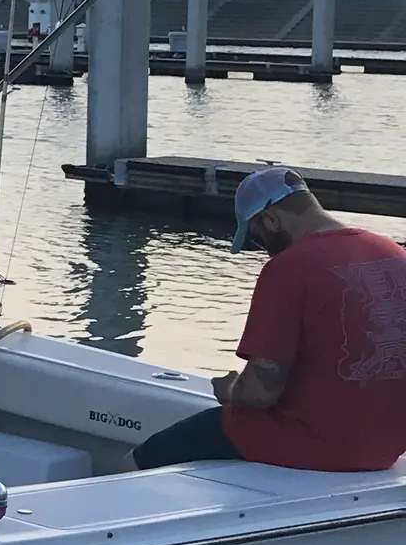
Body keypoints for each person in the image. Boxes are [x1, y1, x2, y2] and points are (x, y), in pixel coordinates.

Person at [136, 165, 406, 472]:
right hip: (384, 448)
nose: (264, 251)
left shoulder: (289, 268)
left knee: (141, 459)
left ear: (271, 219)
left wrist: (230, 390)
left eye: (256, 238)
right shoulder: (394, 253)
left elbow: (260, 392)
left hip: (312, 444)